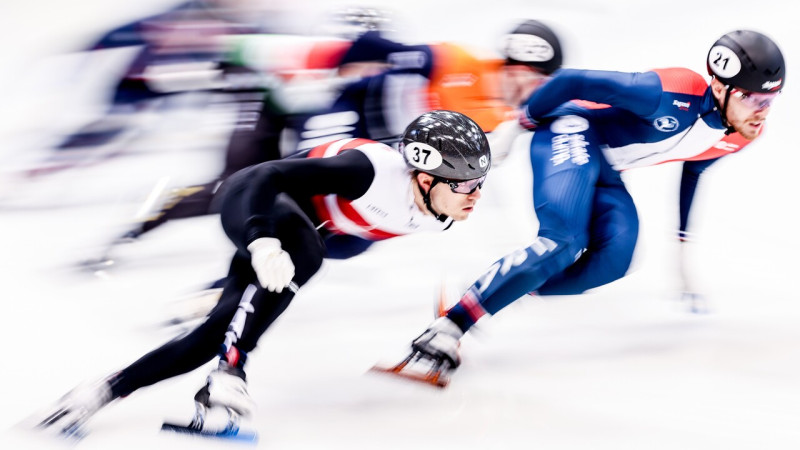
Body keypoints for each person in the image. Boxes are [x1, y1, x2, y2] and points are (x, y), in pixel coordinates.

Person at [35, 110, 491, 436]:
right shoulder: (369, 171)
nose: (475, 194)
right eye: (466, 185)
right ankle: (230, 374)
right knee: (307, 253)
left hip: (295, 232)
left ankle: (97, 393)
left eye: (480, 183)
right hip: (255, 202)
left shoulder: (431, 200)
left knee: (215, 332)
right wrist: (261, 238)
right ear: (426, 179)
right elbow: (262, 177)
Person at [382, 29, 785, 386]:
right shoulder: (671, 92)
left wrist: (682, 246)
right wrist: (517, 124)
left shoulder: (744, 133)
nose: (760, 111)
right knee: (564, 242)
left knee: (616, 260)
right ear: (720, 87)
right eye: (751, 98)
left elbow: (695, 170)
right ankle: (446, 330)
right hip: (571, 129)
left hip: (605, 164)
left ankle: (489, 290)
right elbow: (574, 80)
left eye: (770, 99)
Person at [86, 20, 560, 268]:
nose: (530, 88)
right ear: (515, 64)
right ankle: (142, 225)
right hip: (321, 119)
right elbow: (376, 51)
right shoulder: (459, 61)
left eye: (542, 82)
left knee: (341, 234)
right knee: (236, 188)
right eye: (531, 77)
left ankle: (234, 280)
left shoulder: (503, 121)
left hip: (361, 144)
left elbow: (469, 173)